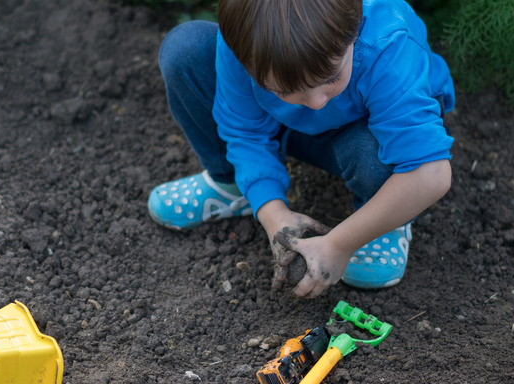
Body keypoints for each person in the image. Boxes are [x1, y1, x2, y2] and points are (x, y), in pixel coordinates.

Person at [147, 0, 454, 297]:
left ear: (354, 29)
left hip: (367, 132)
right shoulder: (246, 47)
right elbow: (245, 132)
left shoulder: (387, 42)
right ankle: (235, 186)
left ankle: (385, 221)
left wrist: (339, 244)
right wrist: (273, 214)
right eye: (286, 90)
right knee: (185, 50)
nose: (317, 102)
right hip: (289, 127)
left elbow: (430, 173)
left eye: (332, 77)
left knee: (379, 156)